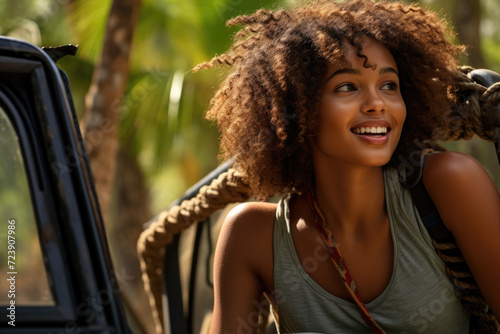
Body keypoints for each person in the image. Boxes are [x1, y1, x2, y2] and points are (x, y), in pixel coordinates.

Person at [194, 0, 500, 333]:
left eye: (389, 86)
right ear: (297, 109)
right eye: (347, 87)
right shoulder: (252, 236)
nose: (376, 104)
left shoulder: (450, 183)